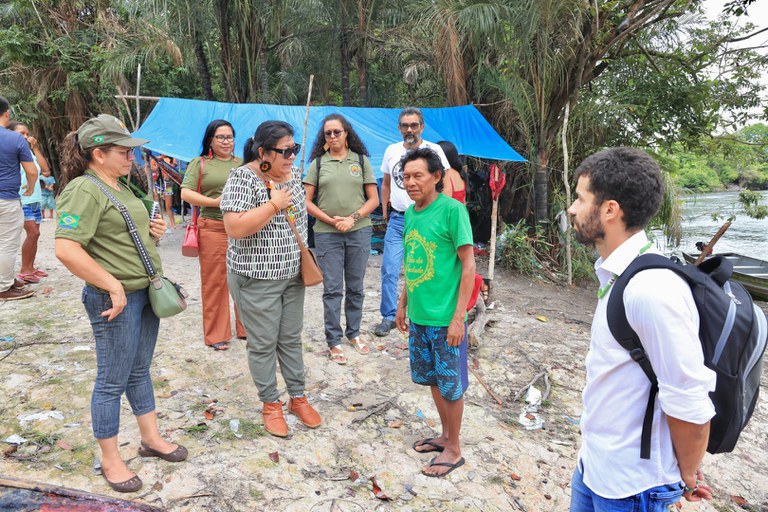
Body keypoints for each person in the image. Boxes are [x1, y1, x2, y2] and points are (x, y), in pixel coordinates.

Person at [566, 147, 716, 511]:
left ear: (610, 210)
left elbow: (690, 401)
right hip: (596, 466)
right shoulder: (619, 274)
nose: (571, 208)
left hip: (633, 486)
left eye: (580, 198)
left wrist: (688, 472)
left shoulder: (651, 289)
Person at [55, 114, 187, 494]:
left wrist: (153, 233)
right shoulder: (84, 189)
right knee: (111, 380)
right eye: (124, 150)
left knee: (139, 369)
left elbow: (122, 237)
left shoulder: (122, 185)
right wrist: (111, 285)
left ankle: (151, 439)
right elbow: (65, 248)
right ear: (99, 153)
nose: (132, 156)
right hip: (115, 299)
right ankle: (111, 458)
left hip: (144, 294)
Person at [221, 120, 321, 438]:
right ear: (263, 152)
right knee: (263, 344)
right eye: (285, 151)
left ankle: (298, 397)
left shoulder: (290, 178)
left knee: (290, 339)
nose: (291, 156)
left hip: (292, 276)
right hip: (256, 278)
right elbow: (234, 227)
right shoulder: (243, 178)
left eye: (295, 149)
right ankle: (270, 404)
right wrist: (272, 204)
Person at [394, 148, 475, 478]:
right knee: (433, 380)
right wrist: (402, 303)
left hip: (445, 319)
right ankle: (444, 435)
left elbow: (469, 266)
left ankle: (454, 449)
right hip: (420, 316)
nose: (410, 183)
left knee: (451, 385)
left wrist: (459, 317)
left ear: (437, 176)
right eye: (406, 177)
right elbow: (412, 261)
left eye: (418, 176)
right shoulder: (412, 213)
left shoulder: (453, 211)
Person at [304, 114, 380, 365]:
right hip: (327, 234)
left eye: (337, 132)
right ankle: (334, 340)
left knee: (356, 287)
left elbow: (374, 200)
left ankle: (354, 333)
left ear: (347, 133)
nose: (333, 136)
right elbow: (305, 200)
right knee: (333, 289)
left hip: (359, 231)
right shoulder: (317, 163)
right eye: (328, 133)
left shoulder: (361, 160)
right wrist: (329, 218)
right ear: (323, 137)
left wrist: (352, 218)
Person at [375, 107, 450, 337]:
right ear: (399, 128)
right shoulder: (391, 150)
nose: (409, 129)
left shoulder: (433, 150)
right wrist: (385, 209)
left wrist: (440, 213)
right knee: (389, 269)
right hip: (399, 219)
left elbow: (445, 183)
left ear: (422, 127)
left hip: (427, 219)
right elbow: (386, 183)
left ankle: (424, 314)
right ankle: (388, 316)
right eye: (405, 125)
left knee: (424, 268)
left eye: (414, 125)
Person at [181, 120, 246, 350]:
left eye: (230, 137)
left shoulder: (243, 163)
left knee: (244, 279)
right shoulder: (200, 164)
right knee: (215, 282)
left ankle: (246, 328)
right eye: (220, 137)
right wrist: (214, 202)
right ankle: (217, 334)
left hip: (243, 229)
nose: (226, 141)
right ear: (210, 139)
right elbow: (186, 192)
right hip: (213, 228)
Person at [0, 96, 37, 301]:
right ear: (7, 114)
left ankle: (4, 278)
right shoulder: (15, 139)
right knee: (7, 242)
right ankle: (3, 287)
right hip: (6, 198)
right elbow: (31, 171)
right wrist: (30, 188)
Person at [10, 122, 49, 284]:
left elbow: (46, 171)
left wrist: (35, 148)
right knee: (33, 233)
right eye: (21, 133)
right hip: (22, 198)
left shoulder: (29, 153)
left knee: (35, 234)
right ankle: (24, 270)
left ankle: (30, 268)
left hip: (35, 199)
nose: (26, 137)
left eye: (27, 133)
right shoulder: (11, 152)